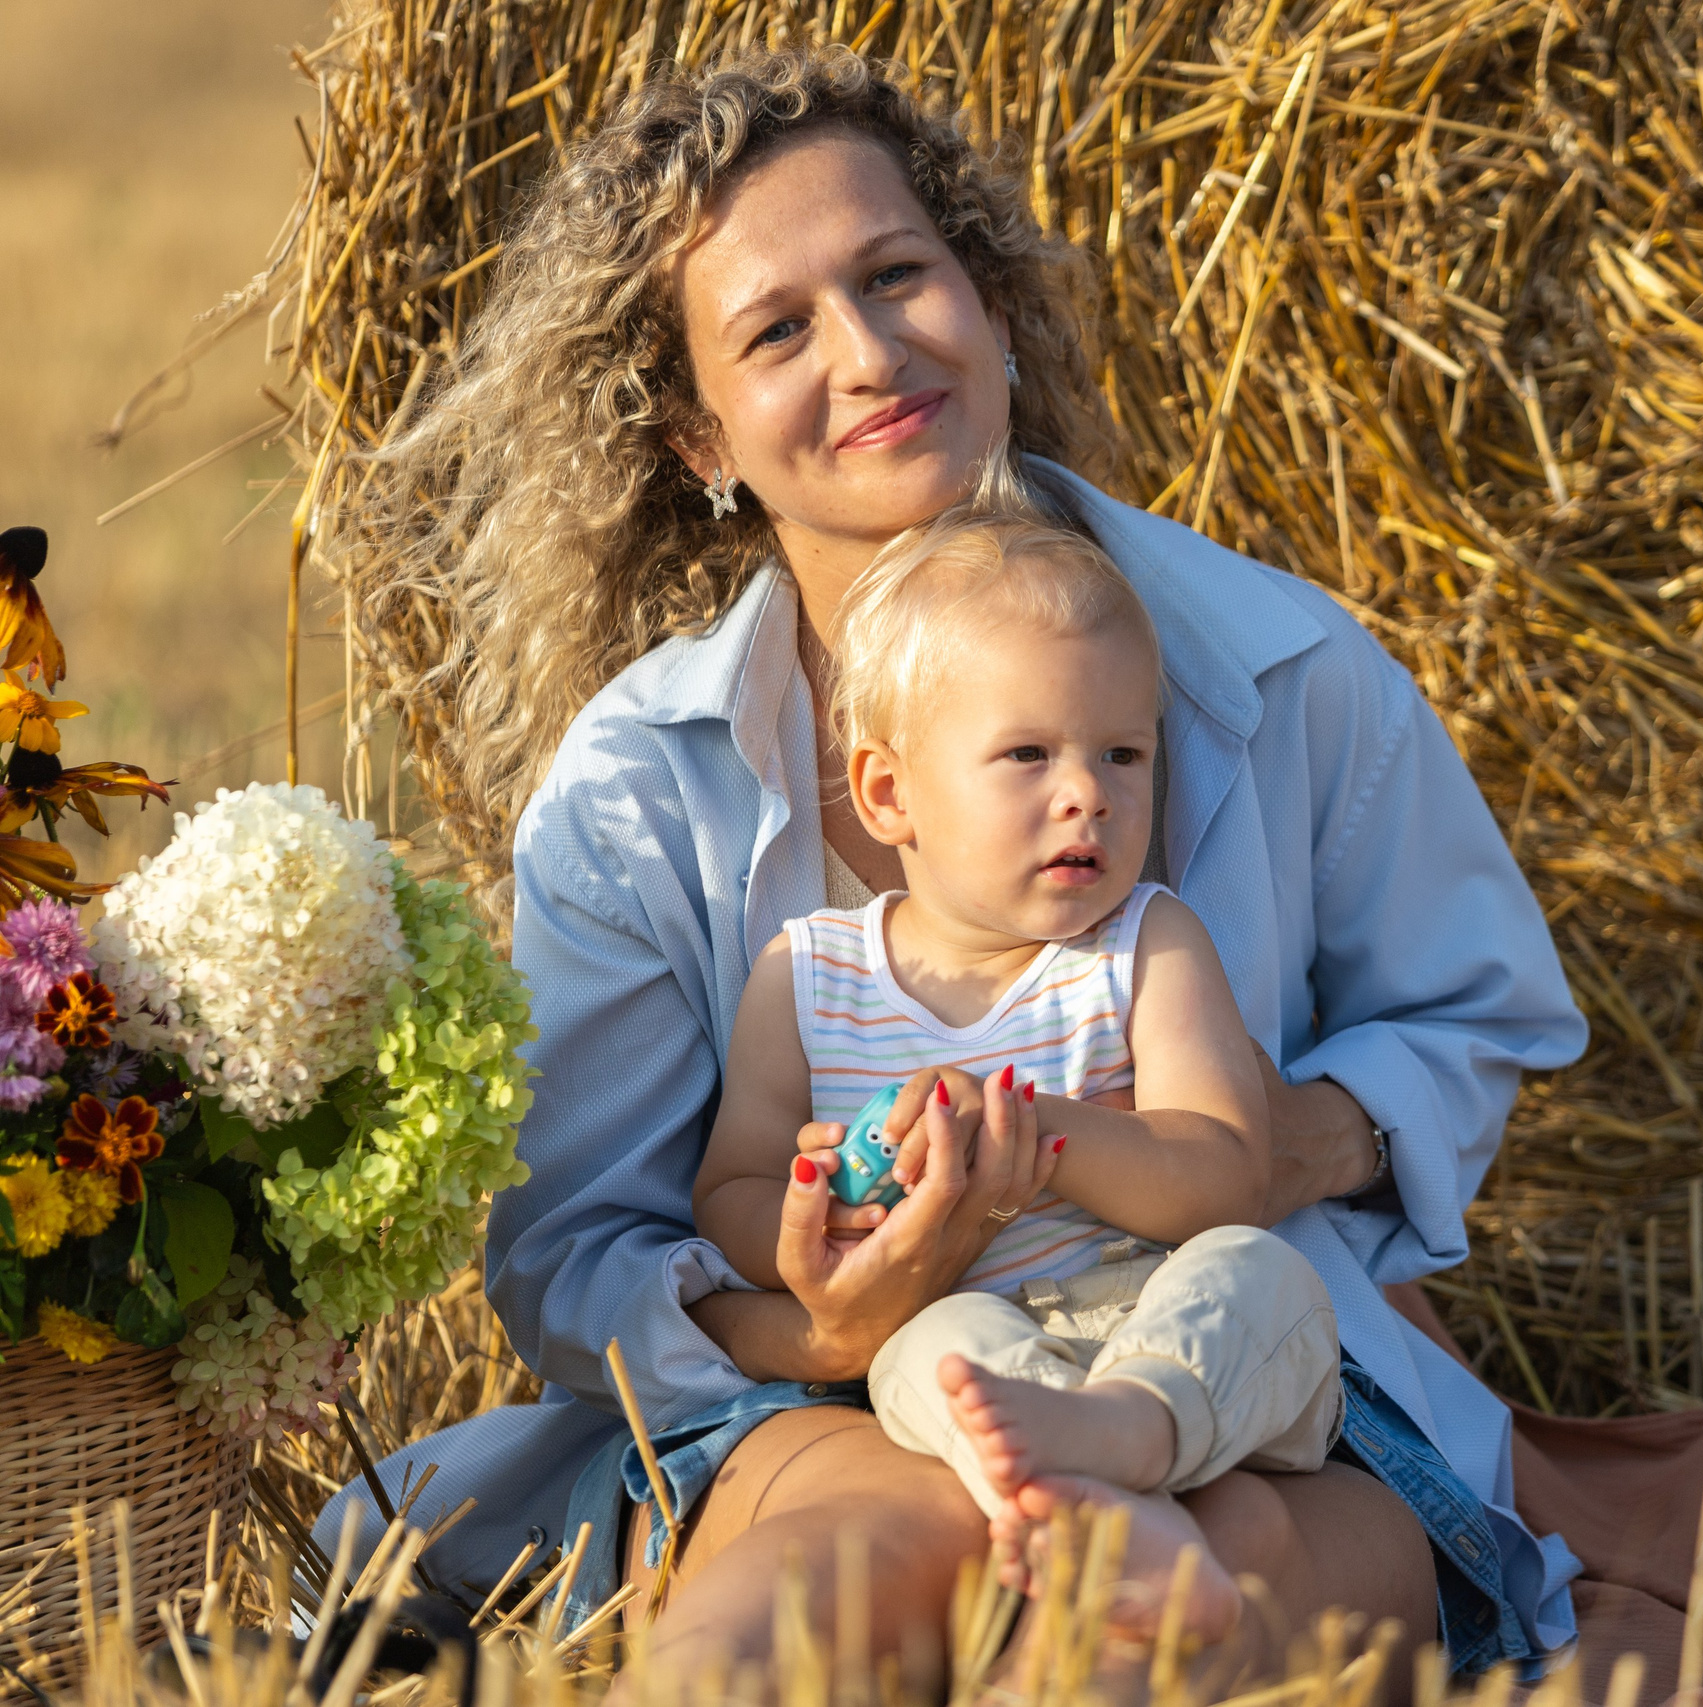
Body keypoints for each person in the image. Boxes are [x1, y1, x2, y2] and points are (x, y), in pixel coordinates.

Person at [323, 44, 1587, 1694]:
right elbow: (573, 1250)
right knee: (870, 1549)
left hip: (1232, 1388)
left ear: (988, 300)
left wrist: (1264, 1144)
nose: (867, 354)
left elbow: (1474, 1018)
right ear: (700, 434)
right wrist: (828, 1327)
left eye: (897, 274)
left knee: (1172, 1587)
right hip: (812, 1404)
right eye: (776, 331)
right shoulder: (638, 789)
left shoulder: (1278, 664)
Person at [695, 511, 1342, 1635]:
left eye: (1123, 754)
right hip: (968, 1326)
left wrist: (1039, 1131)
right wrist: (822, 1221)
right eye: (1029, 755)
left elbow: (1227, 1174)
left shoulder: (1146, 944)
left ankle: (1130, 1433)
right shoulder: (808, 976)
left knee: (1261, 1276)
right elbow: (731, 1192)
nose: (1088, 792)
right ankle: (1092, 1508)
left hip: (1156, 1326)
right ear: (889, 794)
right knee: (925, 1355)